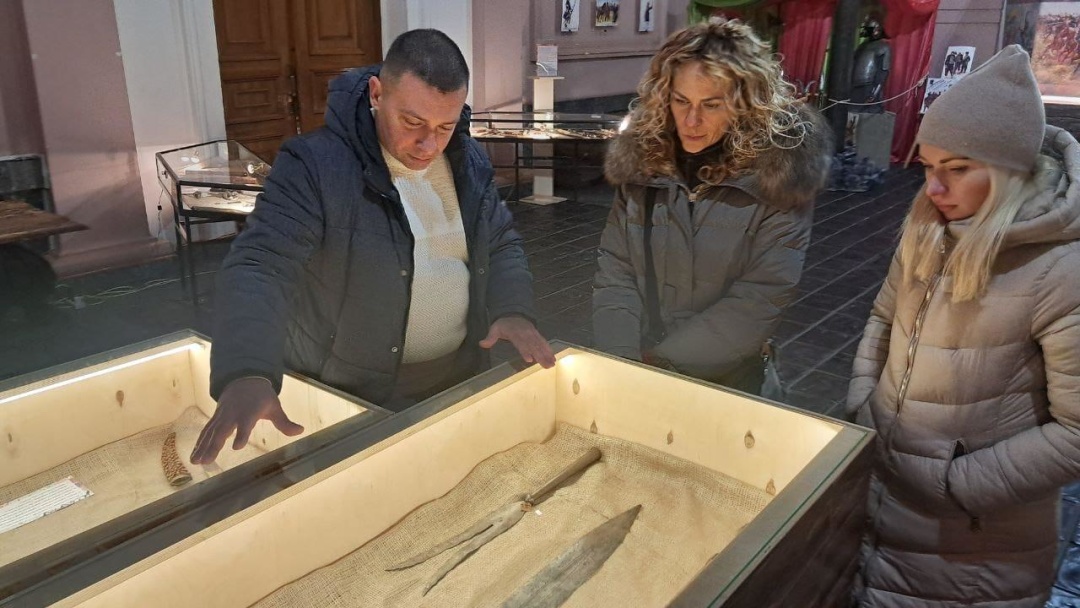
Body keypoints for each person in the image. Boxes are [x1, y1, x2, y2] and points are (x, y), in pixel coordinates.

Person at [192, 29, 555, 465]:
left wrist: (512, 309)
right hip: (354, 392)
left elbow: (499, 242)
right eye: (412, 122)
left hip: (457, 377)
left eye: (445, 126)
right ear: (377, 93)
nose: (429, 145)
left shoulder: (468, 160)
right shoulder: (315, 165)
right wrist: (247, 370)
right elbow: (261, 265)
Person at [846, 45, 1080, 607]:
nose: (933, 189)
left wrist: (958, 483)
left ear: (1010, 172)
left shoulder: (1059, 270)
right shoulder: (928, 230)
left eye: (956, 169)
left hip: (974, 542)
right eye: (928, 167)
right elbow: (883, 319)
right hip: (887, 499)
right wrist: (863, 406)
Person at [592, 17, 831, 394]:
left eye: (712, 104)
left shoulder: (777, 177)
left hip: (729, 379)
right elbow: (616, 269)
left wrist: (664, 364)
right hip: (642, 366)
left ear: (745, 104)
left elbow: (761, 296)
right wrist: (619, 358)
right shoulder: (644, 165)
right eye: (681, 101)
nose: (692, 120)